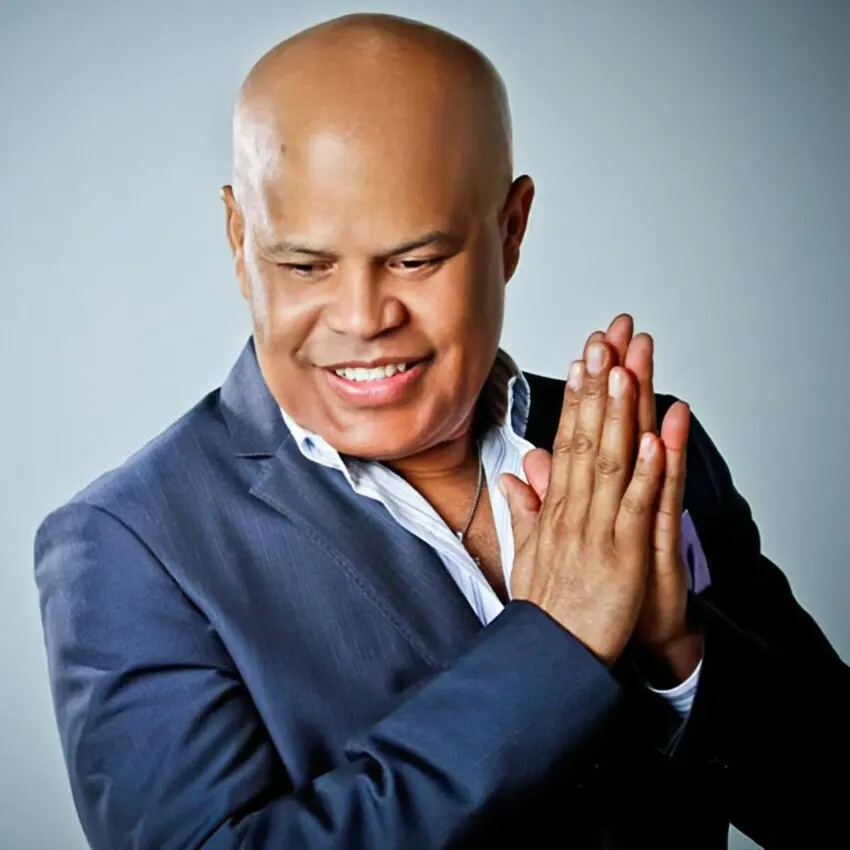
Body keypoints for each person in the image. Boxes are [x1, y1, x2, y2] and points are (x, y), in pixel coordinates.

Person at [34, 13, 848, 850]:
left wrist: (676, 653)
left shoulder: (640, 450)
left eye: (415, 260)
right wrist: (557, 645)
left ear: (511, 229)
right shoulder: (127, 547)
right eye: (305, 265)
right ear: (241, 240)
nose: (362, 318)